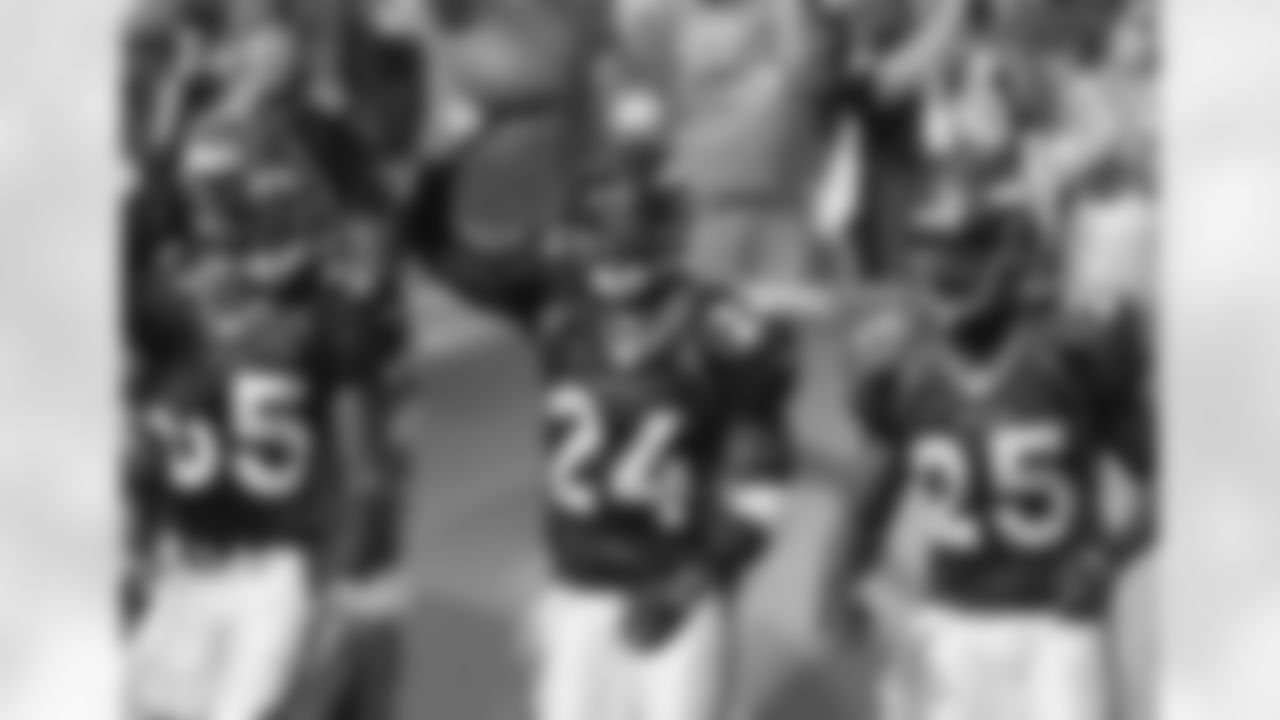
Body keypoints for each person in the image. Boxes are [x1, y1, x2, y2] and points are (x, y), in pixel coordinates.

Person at [423, 151, 797, 720]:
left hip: (673, 587)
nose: (615, 260)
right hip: (577, 591)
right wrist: (443, 165)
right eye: (602, 238)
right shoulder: (558, 302)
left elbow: (761, 491)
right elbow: (443, 253)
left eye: (630, 241)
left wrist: (694, 582)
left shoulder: (718, 329)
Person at [828, 172, 1153, 720]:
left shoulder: (1069, 352)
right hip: (950, 622)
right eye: (931, 252)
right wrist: (845, 582)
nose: (944, 270)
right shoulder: (901, 367)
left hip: (1057, 624)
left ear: (1015, 258)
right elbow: (870, 500)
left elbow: (1170, 481)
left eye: (963, 252)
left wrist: (1109, 557)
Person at [124, 129, 403, 720]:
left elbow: (365, 477)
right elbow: (145, 446)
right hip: (182, 569)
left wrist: (336, 585)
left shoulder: (326, 321)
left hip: (270, 576)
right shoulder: (176, 307)